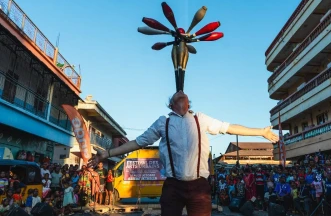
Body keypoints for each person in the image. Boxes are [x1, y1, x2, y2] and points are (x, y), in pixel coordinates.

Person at [88, 91, 278, 216]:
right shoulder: (163, 122)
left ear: (188, 103)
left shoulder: (200, 119)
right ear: (171, 104)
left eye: (183, 93)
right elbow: (137, 143)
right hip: (173, 186)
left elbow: (229, 127)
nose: (181, 92)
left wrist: (260, 132)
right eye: (176, 94)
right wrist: (105, 154)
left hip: (199, 187)